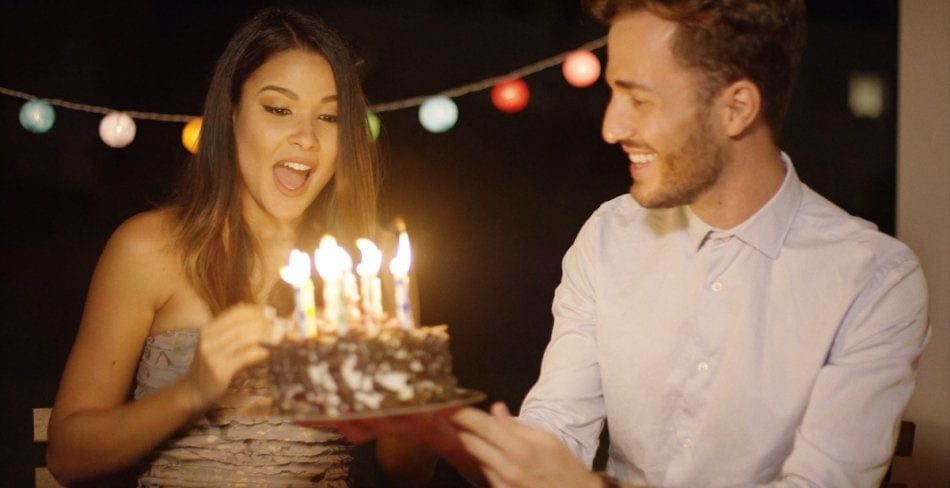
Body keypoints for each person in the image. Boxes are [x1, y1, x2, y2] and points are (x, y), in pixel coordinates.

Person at [351, 1, 931, 487]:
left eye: (639, 98)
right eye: (611, 93)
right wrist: (441, 430)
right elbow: (555, 434)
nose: (610, 127)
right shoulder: (608, 236)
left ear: (737, 108)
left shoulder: (873, 280)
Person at [45, 7, 403, 486]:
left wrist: (408, 404)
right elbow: (67, 457)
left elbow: (409, 471)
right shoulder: (149, 248)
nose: (306, 138)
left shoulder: (370, 264)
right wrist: (193, 391)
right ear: (231, 113)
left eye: (330, 116)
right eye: (278, 109)